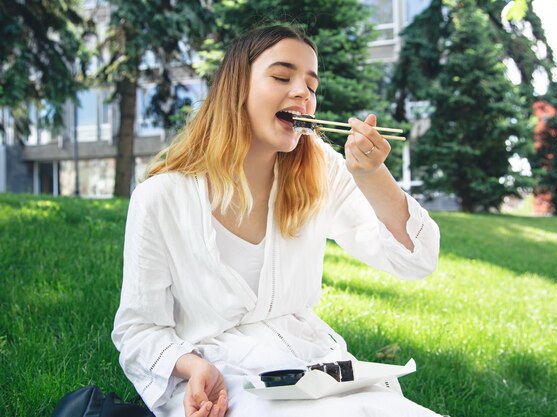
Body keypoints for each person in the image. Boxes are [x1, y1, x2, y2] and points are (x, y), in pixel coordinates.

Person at [112, 25, 441, 417]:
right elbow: (138, 331)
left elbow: (415, 260)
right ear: (237, 89)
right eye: (282, 77)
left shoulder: (322, 171)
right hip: (228, 381)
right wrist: (191, 365)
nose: (303, 93)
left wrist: (373, 176)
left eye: (311, 86)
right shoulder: (161, 198)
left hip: (318, 370)